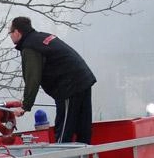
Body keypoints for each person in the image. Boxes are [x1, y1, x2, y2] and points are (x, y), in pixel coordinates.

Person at [8, 16, 96, 144]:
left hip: (69, 86)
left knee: (64, 128)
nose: (10, 36)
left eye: (10, 32)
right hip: (84, 79)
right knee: (83, 126)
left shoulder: (30, 47)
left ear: (17, 32)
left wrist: (25, 106)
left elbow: (33, 78)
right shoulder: (43, 37)